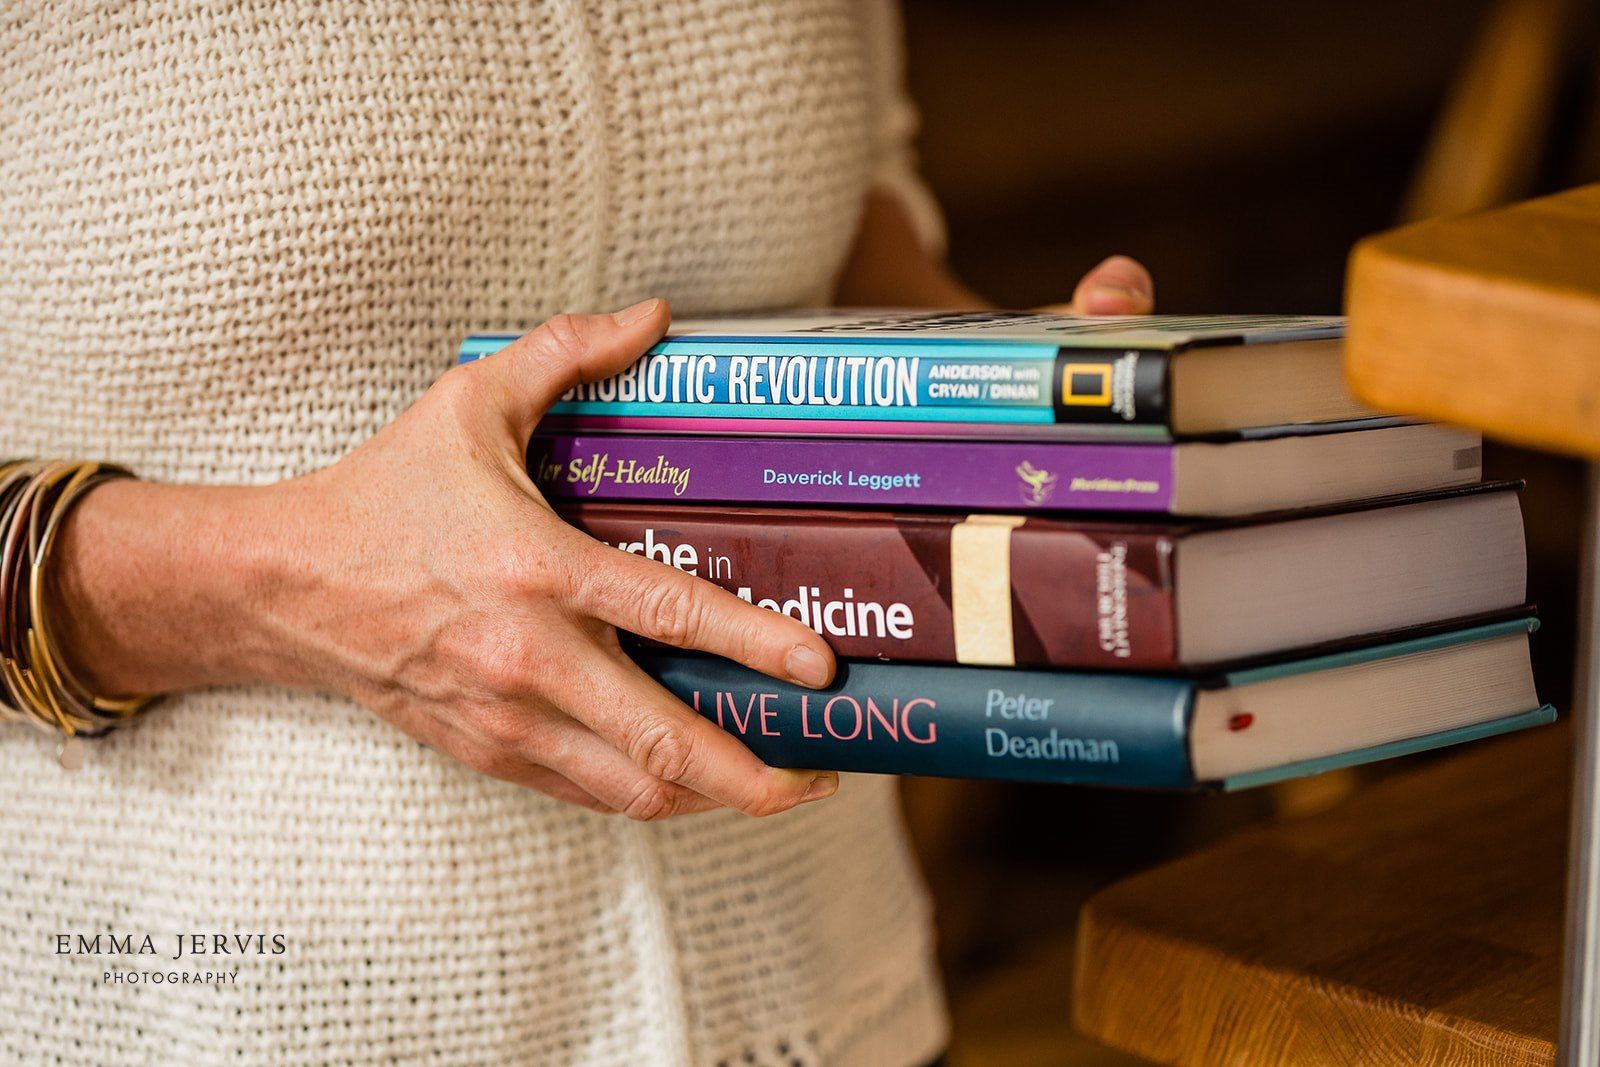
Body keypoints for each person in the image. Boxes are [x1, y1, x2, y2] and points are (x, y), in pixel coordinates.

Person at [0, 2, 1152, 1063]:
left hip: (826, 980)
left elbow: (844, 215)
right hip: (225, 1004)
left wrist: (1006, 394)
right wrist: (308, 591)